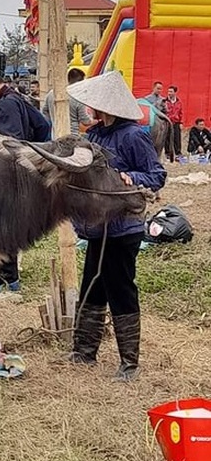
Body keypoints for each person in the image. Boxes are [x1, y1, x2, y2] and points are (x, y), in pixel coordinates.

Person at [65, 71, 166, 381]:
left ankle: (129, 363)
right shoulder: (94, 135)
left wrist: (132, 178)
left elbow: (156, 175)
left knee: (120, 289)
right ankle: (84, 352)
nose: (91, 108)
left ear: (106, 105)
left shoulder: (134, 136)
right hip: (97, 227)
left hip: (123, 228)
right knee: (93, 285)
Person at [0, 68, 51, 293]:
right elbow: (44, 127)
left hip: (1, 171)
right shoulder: (17, 99)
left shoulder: (6, 105)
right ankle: (9, 278)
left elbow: (11, 139)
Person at [42, 68, 97, 135]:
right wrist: (94, 121)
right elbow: (85, 121)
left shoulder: (51, 93)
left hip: (55, 135)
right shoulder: (77, 97)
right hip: (72, 136)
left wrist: (53, 120)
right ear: (81, 81)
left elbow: (44, 111)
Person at [164, 85, 184, 161]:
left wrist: (181, 122)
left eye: (171, 91)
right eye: (168, 91)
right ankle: (167, 154)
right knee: (167, 138)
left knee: (177, 138)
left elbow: (181, 113)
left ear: (175, 92)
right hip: (167, 122)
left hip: (176, 122)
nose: (169, 93)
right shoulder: (165, 101)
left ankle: (178, 153)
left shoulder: (179, 102)